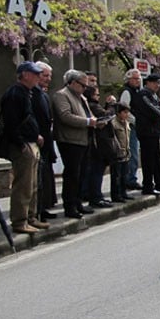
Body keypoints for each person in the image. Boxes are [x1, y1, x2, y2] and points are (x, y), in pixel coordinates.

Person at [1, 61, 46, 233]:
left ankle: (31, 217)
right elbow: (11, 123)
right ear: (25, 75)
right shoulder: (15, 94)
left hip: (31, 142)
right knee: (23, 185)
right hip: (23, 145)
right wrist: (21, 143)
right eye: (35, 74)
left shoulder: (26, 93)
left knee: (33, 184)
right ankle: (20, 221)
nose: (38, 77)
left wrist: (36, 136)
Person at [52, 69, 99, 218]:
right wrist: (87, 122)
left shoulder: (81, 97)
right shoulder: (62, 95)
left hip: (84, 139)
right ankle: (69, 205)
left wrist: (96, 122)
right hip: (70, 140)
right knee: (72, 174)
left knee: (82, 173)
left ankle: (78, 202)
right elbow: (65, 116)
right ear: (72, 82)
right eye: (82, 85)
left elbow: (89, 114)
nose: (85, 88)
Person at [132, 73, 160, 195]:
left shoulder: (154, 95)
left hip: (154, 131)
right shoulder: (144, 95)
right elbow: (156, 111)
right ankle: (148, 186)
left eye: (158, 83)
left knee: (156, 159)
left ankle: (159, 183)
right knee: (148, 160)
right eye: (154, 82)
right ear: (148, 82)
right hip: (146, 131)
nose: (157, 85)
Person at [32, 61, 58, 221]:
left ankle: (42, 208)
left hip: (45, 141)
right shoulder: (30, 94)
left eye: (49, 76)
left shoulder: (43, 94)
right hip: (36, 141)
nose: (48, 79)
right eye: (45, 75)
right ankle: (34, 211)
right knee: (35, 180)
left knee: (44, 178)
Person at [118, 69, 143, 191]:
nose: (137, 81)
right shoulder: (127, 92)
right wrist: (136, 121)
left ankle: (131, 177)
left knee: (134, 152)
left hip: (135, 125)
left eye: (138, 78)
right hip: (130, 126)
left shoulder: (136, 91)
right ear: (128, 79)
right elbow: (124, 110)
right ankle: (130, 179)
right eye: (135, 78)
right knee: (132, 153)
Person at [110, 103, 134, 202]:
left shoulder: (126, 122)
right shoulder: (113, 123)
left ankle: (123, 193)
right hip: (117, 153)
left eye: (127, 112)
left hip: (126, 153)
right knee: (116, 176)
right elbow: (113, 138)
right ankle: (116, 195)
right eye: (124, 112)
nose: (126, 114)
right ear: (118, 112)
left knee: (124, 175)